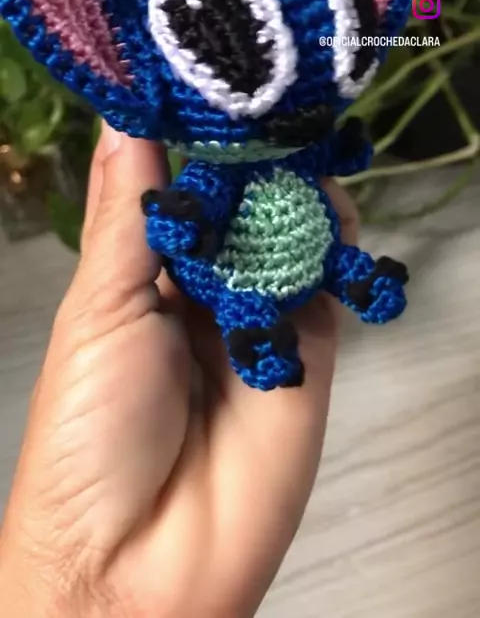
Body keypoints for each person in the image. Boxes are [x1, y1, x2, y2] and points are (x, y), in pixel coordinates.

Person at [0, 122, 358, 617]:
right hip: (235, 284)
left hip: (316, 256)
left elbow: (320, 155)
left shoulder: (289, 152)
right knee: (245, 308)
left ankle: (354, 279)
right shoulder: (215, 170)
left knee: (340, 264)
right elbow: (198, 203)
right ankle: (260, 336)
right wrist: (183, 220)